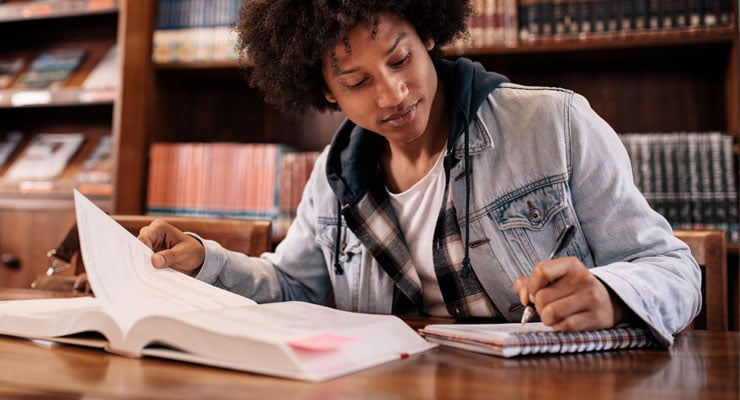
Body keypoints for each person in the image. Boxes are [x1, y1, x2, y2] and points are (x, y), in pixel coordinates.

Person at [137, 0, 701, 346]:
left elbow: (674, 270)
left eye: (401, 58)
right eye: (356, 83)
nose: (394, 93)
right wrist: (203, 261)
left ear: (428, 34)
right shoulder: (335, 177)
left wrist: (610, 295)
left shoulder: (555, 124)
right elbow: (295, 287)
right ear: (324, 92)